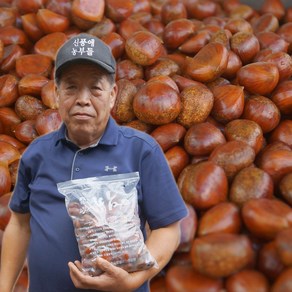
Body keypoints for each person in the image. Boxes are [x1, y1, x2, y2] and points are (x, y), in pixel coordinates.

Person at [0, 33, 188, 292]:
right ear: (56, 95)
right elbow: (20, 225)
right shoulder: (36, 153)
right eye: (71, 87)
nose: (83, 99)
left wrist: (132, 281)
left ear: (112, 95)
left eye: (95, 88)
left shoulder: (142, 150)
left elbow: (168, 229)